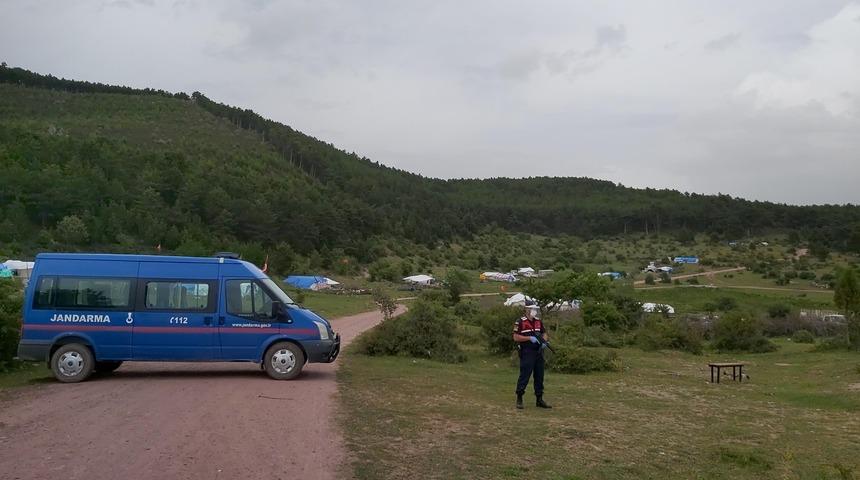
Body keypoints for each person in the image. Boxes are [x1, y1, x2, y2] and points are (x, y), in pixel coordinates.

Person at [512, 302, 551, 409]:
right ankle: (519, 398)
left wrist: (544, 341)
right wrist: (529, 338)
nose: (534, 311)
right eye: (532, 309)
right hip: (527, 352)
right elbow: (515, 337)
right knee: (525, 375)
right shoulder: (520, 321)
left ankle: (539, 399)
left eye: (535, 309)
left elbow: (544, 333)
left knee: (539, 376)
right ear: (527, 309)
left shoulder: (538, 321)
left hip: (539, 352)